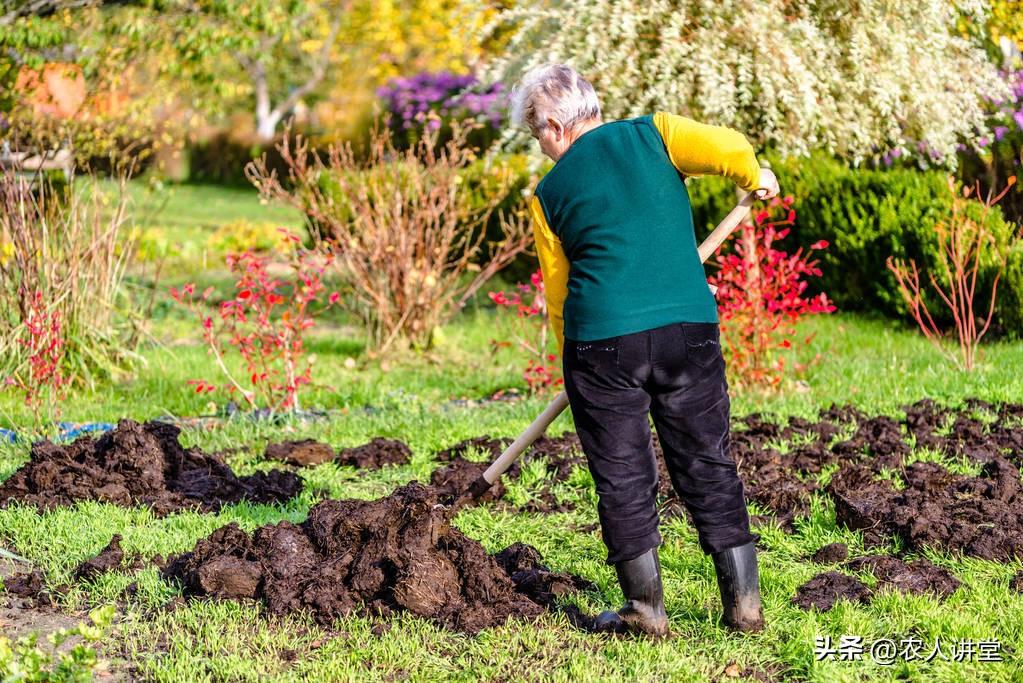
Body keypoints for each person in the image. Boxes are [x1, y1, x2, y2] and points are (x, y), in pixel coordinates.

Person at [509, 63, 779, 637]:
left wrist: (574, 358)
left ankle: (646, 611)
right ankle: (745, 607)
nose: (542, 149)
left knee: (622, 472)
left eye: (538, 136)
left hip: (601, 341)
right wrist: (755, 173)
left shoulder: (549, 194)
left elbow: (558, 291)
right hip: (689, 330)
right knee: (707, 458)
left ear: (556, 125)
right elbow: (729, 147)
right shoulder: (656, 132)